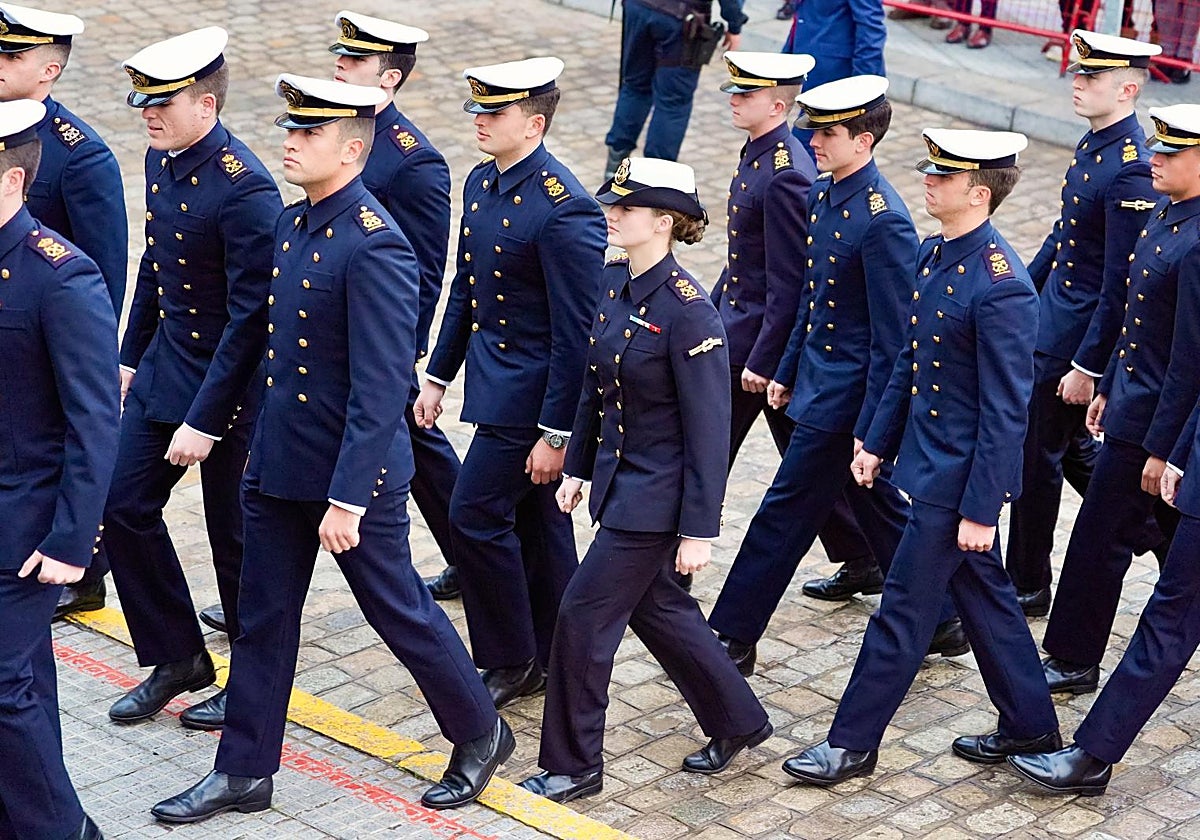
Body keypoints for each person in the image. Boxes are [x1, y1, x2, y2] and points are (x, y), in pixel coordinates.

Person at [150, 75, 509, 824]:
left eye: (309, 133)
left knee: (396, 608)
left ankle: (481, 730)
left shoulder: (377, 247)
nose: (290, 141)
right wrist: (204, 420)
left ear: (350, 150)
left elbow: (379, 389)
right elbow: (253, 339)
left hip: (352, 475)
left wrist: (348, 498)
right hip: (280, 459)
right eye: (291, 129)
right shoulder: (293, 225)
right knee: (262, 617)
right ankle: (244, 771)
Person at [782, 128, 1062, 787]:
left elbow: (1006, 411)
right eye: (930, 172)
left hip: (956, 481)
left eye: (944, 176)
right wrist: (875, 441)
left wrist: (982, 508)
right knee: (987, 599)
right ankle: (1031, 726)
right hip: (930, 463)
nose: (928, 182)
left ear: (980, 193)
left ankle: (851, 743)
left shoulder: (1002, 286)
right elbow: (909, 362)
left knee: (902, 612)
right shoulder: (936, 253)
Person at [518, 157, 770, 805]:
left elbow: (709, 432)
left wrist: (699, 531)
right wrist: (577, 465)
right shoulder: (614, 280)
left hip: (656, 499)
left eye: (625, 208)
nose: (611, 214)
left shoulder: (691, 314)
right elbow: (595, 383)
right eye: (613, 204)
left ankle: (574, 764)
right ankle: (738, 719)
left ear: (664, 222)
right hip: (618, 482)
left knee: (581, 616)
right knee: (659, 608)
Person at [707, 77, 968, 677]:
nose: (814, 142)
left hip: (847, 397)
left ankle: (733, 634)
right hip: (819, 380)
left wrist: (873, 428)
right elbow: (810, 297)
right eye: (814, 131)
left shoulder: (883, 221)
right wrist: (787, 369)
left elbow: (892, 338)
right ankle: (943, 616)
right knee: (875, 503)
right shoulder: (825, 194)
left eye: (828, 133)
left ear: (864, 140)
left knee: (783, 512)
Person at [102, 27, 281, 732]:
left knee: (235, 539)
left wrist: (207, 419)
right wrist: (129, 356)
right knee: (121, 505)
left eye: (163, 103)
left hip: (232, 390)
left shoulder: (246, 190)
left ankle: (251, 684)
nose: (148, 114)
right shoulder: (162, 156)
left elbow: (251, 318)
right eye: (144, 102)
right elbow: (156, 265)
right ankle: (178, 656)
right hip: (166, 366)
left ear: (206, 105)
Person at [414, 57, 607, 710]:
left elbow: (577, 334)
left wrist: (557, 434)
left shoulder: (565, 209)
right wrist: (438, 375)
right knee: (538, 527)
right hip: (495, 385)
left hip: (532, 401)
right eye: (480, 111)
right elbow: (466, 287)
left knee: (472, 516)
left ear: (534, 124)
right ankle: (559, 652)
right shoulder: (482, 182)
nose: (481, 122)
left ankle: (509, 658)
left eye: (495, 113)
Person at [713, 54, 887, 654]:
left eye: (827, 133)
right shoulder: (799, 177)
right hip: (789, 360)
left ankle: (721, 625)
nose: (814, 141)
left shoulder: (805, 182)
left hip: (807, 369)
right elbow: (772, 276)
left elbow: (794, 285)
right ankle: (905, 585)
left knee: (767, 495)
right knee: (856, 489)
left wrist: (768, 361)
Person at [1037, 102, 1200, 696]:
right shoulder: (1167, 212)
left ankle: (1073, 657)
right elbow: (1135, 319)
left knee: (1098, 540)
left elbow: (1188, 361)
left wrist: (1163, 450)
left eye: (1172, 152)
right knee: (1157, 533)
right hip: (1132, 401)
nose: (1155, 158)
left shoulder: (1196, 242)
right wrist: (1106, 383)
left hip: (1156, 421)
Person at [1005, 30, 1162, 618]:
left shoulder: (1131, 168)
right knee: (1064, 446)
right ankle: (1154, 529)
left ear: (1127, 89)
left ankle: (1027, 581)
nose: (1078, 83)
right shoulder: (1095, 144)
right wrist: (1020, 291)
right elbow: (1065, 236)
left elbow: (1122, 282)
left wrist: (1088, 365)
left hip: (1077, 336)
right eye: (1078, 73)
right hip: (1055, 317)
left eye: (1091, 77)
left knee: (1035, 456)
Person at [0, 97, 118, 840]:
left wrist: (75, 542)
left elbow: (94, 421)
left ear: (13, 180)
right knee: (25, 681)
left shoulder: (60, 276)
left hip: (27, 522)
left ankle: (61, 828)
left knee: (4, 688)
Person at [0, 3, 129, 621]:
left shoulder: (81, 155)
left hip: (50, 333)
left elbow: (102, 272)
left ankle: (86, 566)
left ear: (49, 70)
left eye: (12, 55)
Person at [602, 0, 747, 178]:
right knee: (673, 103)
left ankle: (614, 167)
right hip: (680, 20)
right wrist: (734, 24)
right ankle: (653, 179)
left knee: (635, 87)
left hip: (640, 7)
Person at [782, 0, 885, 151]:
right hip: (812, 72)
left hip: (838, 79)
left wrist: (863, 86)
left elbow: (871, 27)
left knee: (808, 150)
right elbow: (803, 15)